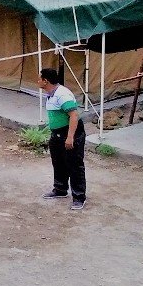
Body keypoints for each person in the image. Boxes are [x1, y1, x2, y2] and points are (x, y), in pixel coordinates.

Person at [37, 68, 86, 210]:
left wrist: (70, 137)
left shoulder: (62, 94)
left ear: (45, 81)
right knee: (58, 162)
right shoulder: (51, 94)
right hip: (57, 134)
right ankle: (60, 189)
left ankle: (79, 197)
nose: (38, 81)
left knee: (74, 165)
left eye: (39, 79)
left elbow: (74, 115)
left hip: (70, 133)